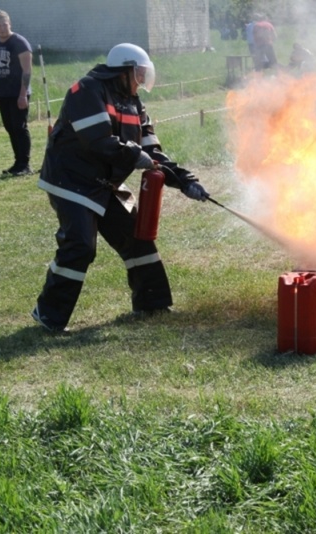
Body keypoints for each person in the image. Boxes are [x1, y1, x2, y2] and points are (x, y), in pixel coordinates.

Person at [31, 43, 210, 333]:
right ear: (123, 71)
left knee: (137, 237)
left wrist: (185, 180)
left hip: (106, 183)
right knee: (80, 245)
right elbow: (98, 142)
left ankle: (152, 303)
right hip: (71, 180)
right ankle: (48, 314)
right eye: (138, 74)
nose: (141, 81)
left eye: (144, 75)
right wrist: (135, 155)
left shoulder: (135, 103)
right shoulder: (87, 91)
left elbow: (153, 153)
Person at [0, 9, 33, 176]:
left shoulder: (20, 42)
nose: (2, 28)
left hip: (18, 93)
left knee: (20, 127)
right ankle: (17, 162)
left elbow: (27, 71)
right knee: (10, 128)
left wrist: (22, 95)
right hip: (3, 93)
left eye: (4, 24)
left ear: (9, 24)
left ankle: (25, 165)